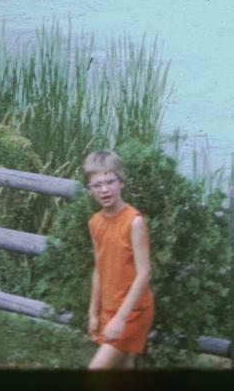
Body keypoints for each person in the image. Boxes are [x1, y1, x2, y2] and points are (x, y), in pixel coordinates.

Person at [84, 150, 154, 369]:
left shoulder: (134, 222)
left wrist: (121, 318)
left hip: (133, 310)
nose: (104, 190)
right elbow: (99, 268)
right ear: (89, 190)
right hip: (109, 308)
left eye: (109, 182)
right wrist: (93, 312)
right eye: (96, 185)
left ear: (121, 182)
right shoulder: (95, 222)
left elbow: (144, 273)